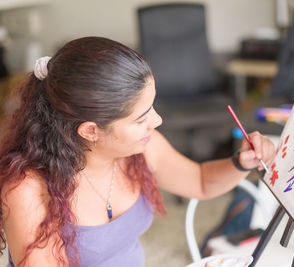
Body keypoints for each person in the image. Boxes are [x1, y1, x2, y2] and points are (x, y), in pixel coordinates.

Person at [0, 37, 275, 267]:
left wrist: (241, 163)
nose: (157, 122)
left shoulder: (142, 148)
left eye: (152, 108)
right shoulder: (28, 191)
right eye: (140, 118)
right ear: (90, 131)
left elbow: (200, 182)